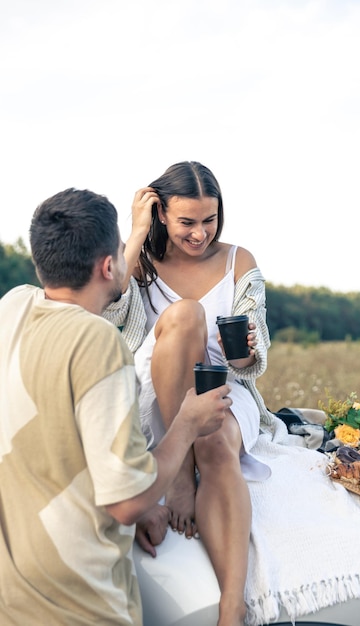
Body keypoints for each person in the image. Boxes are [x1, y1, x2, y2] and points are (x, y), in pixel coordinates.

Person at [0, 187, 232, 626]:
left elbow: (54, 429)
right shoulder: (98, 342)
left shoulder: (11, 309)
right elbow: (124, 503)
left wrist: (146, 508)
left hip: (11, 602)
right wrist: (186, 424)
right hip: (79, 606)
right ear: (109, 266)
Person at [103, 161, 275, 626]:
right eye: (186, 222)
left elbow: (249, 359)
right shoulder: (138, 260)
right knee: (184, 315)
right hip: (158, 389)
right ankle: (179, 474)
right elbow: (107, 314)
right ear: (161, 214)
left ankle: (231, 609)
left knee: (217, 444)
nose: (200, 234)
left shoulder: (240, 260)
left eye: (209, 220)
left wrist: (246, 352)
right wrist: (136, 232)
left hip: (222, 383)